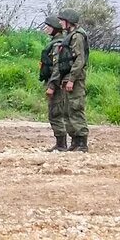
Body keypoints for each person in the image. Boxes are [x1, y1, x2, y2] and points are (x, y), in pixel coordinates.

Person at [58, 8, 90, 152]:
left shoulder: (77, 36)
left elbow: (79, 60)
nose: (60, 23)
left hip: (75, 79)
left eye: (62, 20)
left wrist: (71, 79)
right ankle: (74, 141)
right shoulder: (70, 35)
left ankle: (82, 142)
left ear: (68, 22)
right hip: (67, 78)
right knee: (67, 110)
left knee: (76, 108)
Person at [39, 16, 70, 151]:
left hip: (56, 83)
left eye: (48, 27)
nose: (46, 29)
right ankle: (61, 143)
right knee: (56, 113)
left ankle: (61, 144)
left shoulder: (57, 45)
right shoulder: (57, 42)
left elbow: (57, 68)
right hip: (55, 81)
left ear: (54, 29)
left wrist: (52, 86)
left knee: (55, 113)